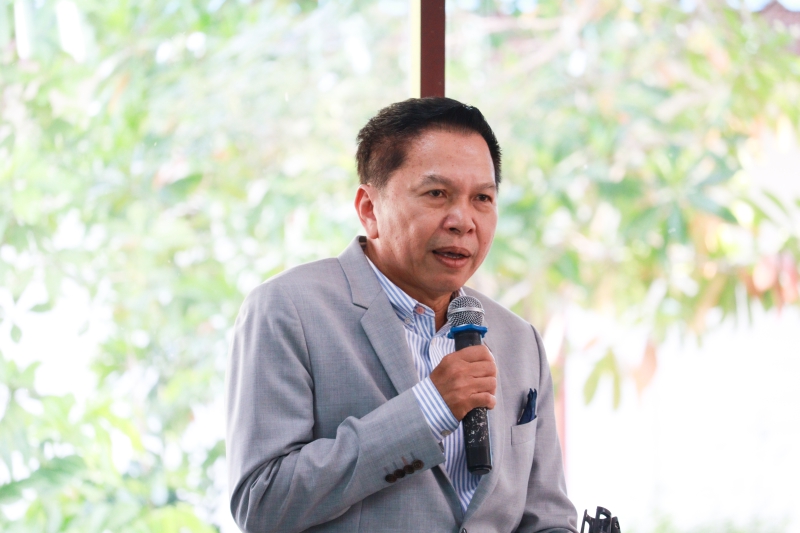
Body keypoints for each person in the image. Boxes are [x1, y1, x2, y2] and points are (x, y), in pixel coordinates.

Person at [226, 97, 578, 533]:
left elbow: (547, 516)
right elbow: (262, 503)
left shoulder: (519, 339)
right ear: (369, 209)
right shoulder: (288, 310)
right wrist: (429, 409)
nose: (463, 220)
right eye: (437, 194)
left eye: (482, 198)